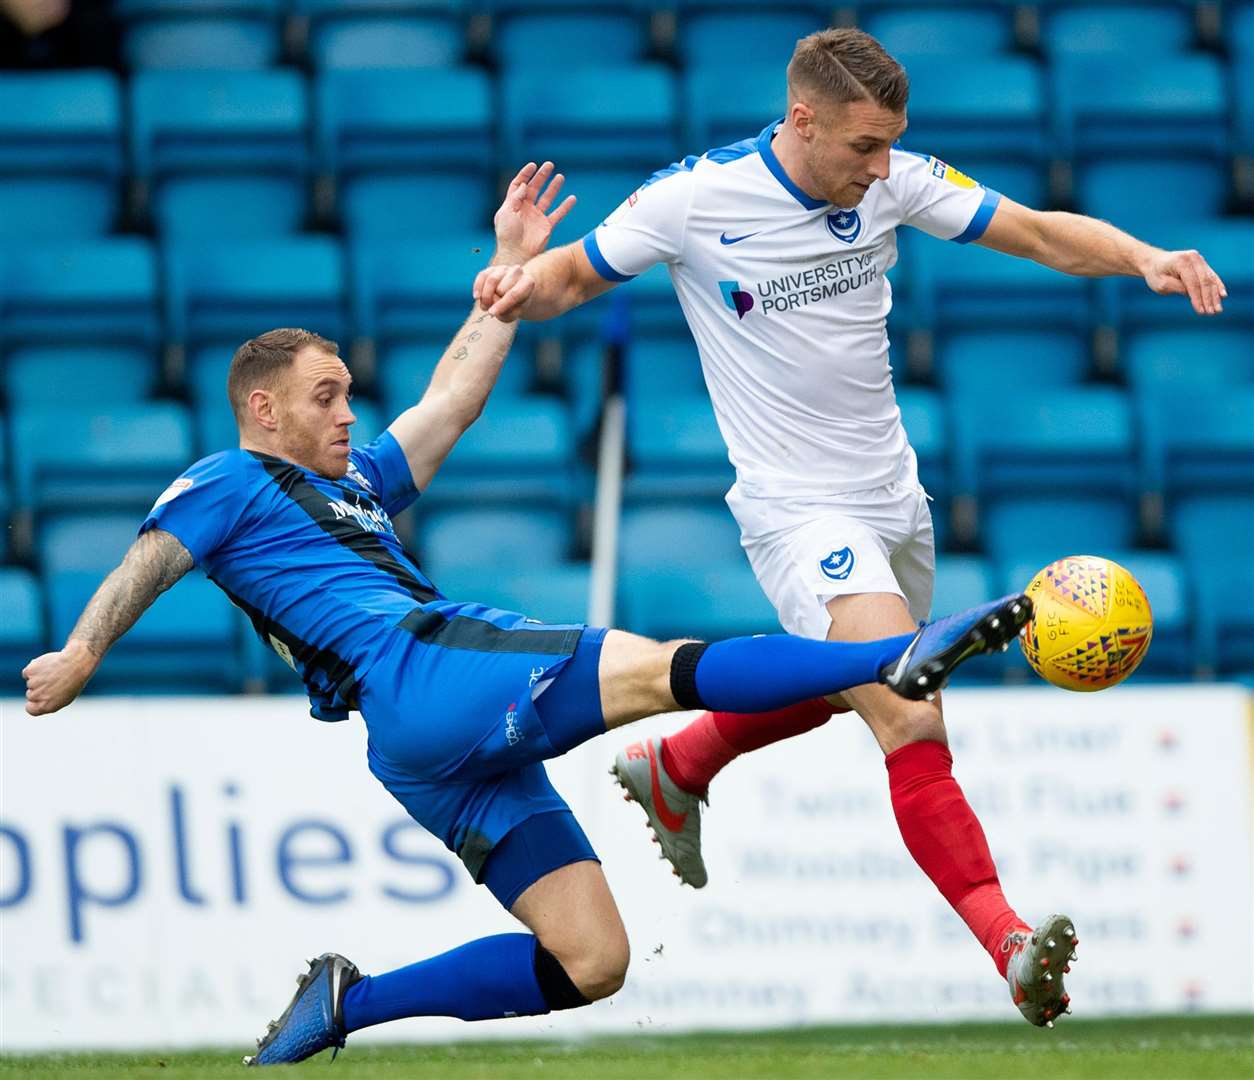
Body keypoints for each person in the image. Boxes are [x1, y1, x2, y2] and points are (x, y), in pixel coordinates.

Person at [21, 163, 1030, 1065]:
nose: (347, 413)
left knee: (591, 960)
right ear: (263, 411)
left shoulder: (353, 492)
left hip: (415, 743)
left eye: (346, 396)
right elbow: (150, 559)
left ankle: (348, 1004)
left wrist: (509, 273)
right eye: (325, 398)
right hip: (423, 670)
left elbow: (447, 404)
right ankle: (905, 654)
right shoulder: (231, 480)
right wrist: (78, 652)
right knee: (661, 666)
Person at [472, 29, 1227, 1029]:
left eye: (890, 147)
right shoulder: (694, 200)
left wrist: (1145, 257)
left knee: (843, 687)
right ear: (803, 121)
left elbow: (1039, 232)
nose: (880, 169)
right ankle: (1008, 942)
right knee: (906, 706)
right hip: (796, 510)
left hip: (891, 500)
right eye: (864, 147)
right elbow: (568, 280)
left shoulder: (894, 181)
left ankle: (681, 763)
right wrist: (512, 272)